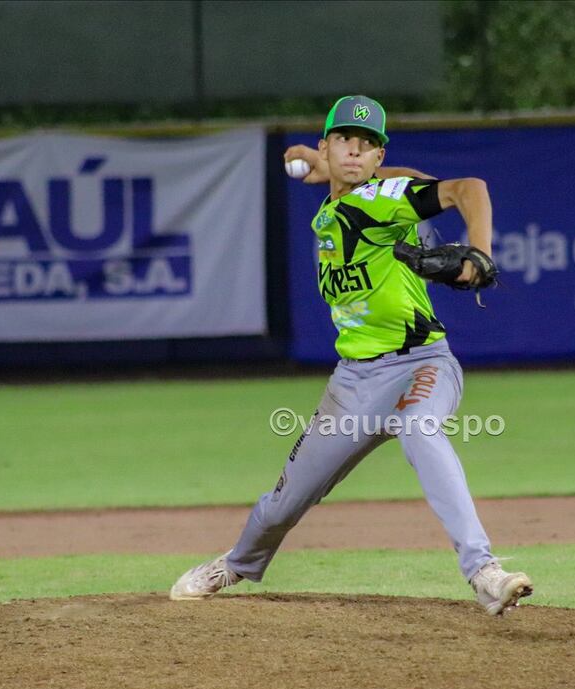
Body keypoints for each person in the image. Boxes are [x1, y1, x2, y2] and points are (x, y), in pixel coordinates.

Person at [170, 95, 533, 616]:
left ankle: (484, 572)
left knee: (419, 428)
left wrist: (480, 253)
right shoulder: (334, 211)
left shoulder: (384, 200)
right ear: (326, 146)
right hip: (353, 385)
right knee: (284, 503)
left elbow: (466, 188)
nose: (356, 150)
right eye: (344, 140)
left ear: (379, 157)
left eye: (368, 144)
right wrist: (327, 172)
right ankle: (235, 564)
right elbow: (373, 182)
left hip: (420, 363)